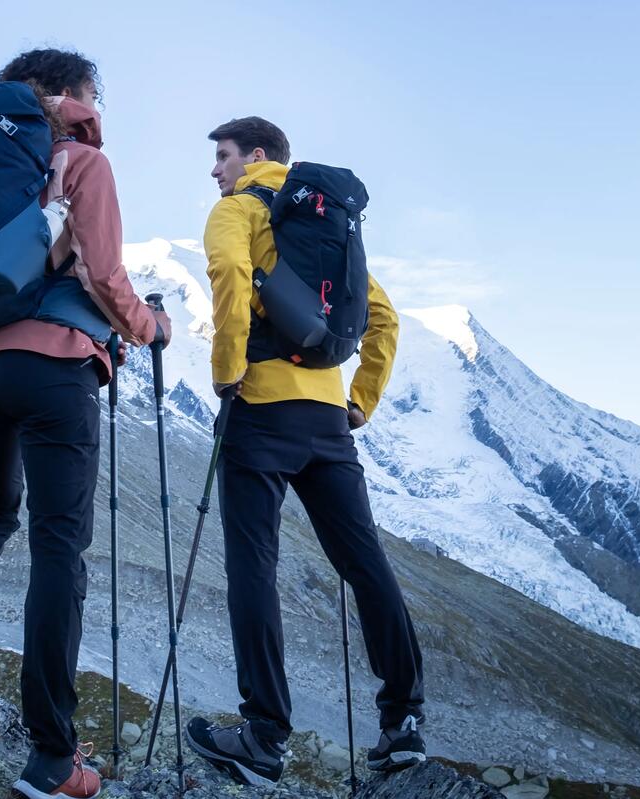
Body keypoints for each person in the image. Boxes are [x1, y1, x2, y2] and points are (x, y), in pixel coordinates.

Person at [0, 49, 169, 799]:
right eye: (93, 94)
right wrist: (151, 327)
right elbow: (102, 274)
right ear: (72, 95)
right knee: (60, 548)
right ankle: (53, 757)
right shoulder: (82, 161)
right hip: (54, 369)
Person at [183, 116, 426, 786]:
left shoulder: (237, 212)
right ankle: (403, 722)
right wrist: (360, 399)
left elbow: (232, 274)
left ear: (254, 155)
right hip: (327, 418)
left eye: (223, 156)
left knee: (253, 565)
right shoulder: (326, 228)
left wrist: (227, 370)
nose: (216, 170)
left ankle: (263, 736)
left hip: (260, 407)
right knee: (364, 560)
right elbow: (383, 317)